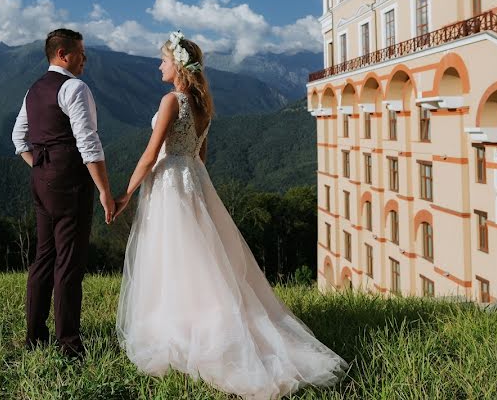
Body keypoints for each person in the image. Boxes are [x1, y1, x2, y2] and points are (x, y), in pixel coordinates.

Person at [114, 31, 347, 399]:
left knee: (172, 257)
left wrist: (124, 195)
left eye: (163, 60)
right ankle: (206, 318)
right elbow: (201, 155)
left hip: (171, 183)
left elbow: (149, 153)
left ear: (177, 66)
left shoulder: (171, 101)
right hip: (195, 179)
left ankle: (179, 327)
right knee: (201, 255)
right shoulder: (202, 103)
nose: (159, 66)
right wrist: (194, 179)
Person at [12, 28, 116, 358]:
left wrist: (43, 167)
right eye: (81, 53)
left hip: (42, 180)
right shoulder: (74, 87)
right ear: (63, 55)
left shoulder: (34, 89)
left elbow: (19, 138)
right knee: (69, 263)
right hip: (70, 182)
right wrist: (104, 191)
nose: (85, 59)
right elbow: (88, 143)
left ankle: (34, 337)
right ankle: (69, 345)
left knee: (44, 257)